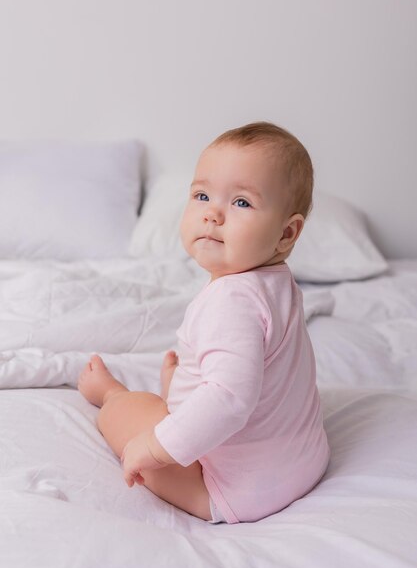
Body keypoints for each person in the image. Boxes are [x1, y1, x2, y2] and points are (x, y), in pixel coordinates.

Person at [78, 121, 330, 524]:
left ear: (286, 233)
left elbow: (229, 400)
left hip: (228, 489)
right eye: (202, 195)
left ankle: (109, 394)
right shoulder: (278, 284)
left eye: (242, 203)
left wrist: (156, 447)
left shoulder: (230, 301)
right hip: (300, 464)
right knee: (197, 391)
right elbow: (261, 372)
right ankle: (182, 394)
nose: (213, 214)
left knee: (133, 411)